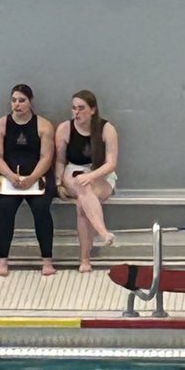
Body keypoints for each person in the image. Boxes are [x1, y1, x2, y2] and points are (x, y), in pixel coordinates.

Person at [0, 83, 56, 277]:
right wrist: (11, 176)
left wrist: (32, 178)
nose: (17, 105)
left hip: (38, 175)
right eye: (14, 100)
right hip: (10, 177)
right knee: (6, 208)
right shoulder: (0, 125)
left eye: (21, 101)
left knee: (41, 208)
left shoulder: (43, 125)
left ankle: (47, 261)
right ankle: (2, 261)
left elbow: (46, 157)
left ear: (30, 102)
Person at [55, 90, 119, 273]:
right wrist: (59, 183)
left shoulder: (107, 129)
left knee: (83, 205)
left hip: (99, 173)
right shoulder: (65, 129)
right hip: (73, 170)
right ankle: (103, 232)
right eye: (74, 108)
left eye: (81, 108)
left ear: (92, 109)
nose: (77, 112)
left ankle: (85, 259)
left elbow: (111, 164)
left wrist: (91, 176)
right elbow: (60, 161)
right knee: (80, 185)